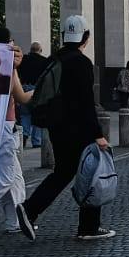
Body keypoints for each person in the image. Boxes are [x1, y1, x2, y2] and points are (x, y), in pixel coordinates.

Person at [20, 16, 113, 240]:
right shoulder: (81, 63)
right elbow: (86, 102)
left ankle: (30, 209)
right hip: (79, 129)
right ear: (86, 37)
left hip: (57, 127)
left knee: (63, 172)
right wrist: (98, 134)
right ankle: (88, 227)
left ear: (63, 36)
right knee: (90, 173)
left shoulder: (54, 59)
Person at [0, 26, 36, 240]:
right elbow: (21, 97)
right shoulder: (6, 63)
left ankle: (14, 222)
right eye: (11, 41)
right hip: (4, 126)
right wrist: (43, 89)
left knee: (16, 179)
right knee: (5, 177)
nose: (14, 45)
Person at [18, 43, 47, 149]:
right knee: (38, 113)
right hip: (37, 89)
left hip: (24, 88)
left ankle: (25, 134)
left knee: (25, 114)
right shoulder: (44, 61)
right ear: (40, 50)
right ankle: (36, 140)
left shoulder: (24, 59)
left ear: (30, 50)